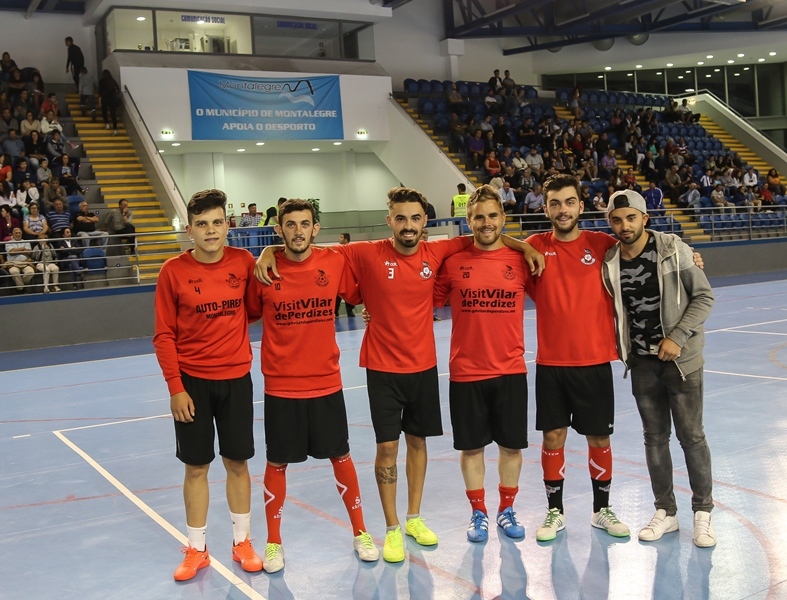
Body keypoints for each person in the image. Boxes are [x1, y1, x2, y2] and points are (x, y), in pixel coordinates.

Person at [255, 187, 544, 564]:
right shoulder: (363, 251)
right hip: (381, 368)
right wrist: (267, 250)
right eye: (401, 218)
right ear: (389, 220)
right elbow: (303, 246)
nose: (408, 226)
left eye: (416, 218)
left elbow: (485, 233)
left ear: (426, 222)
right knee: (387, 448)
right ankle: (392, 528)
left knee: (418, 444)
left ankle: (413, 518)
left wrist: (524, 246)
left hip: (423, 368)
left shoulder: (438, 251)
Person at [247, 200, 377, 573]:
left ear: (316, 228)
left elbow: (361, 293)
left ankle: (361, 532)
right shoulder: (265, 271)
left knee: (341, 456)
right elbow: (246, 313)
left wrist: (372, 309)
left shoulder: (333, 262)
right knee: (277, 461)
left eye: (305, 224)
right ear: (279, 229)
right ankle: (273, 543)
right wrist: (266, 254)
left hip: (326, 383)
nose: (298, 231)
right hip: (281, 387)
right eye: (291, 225)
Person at [152, 189, 263, 582]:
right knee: (196, 467)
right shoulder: (172, 271)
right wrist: (175, 387)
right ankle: (197, 549)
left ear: (228, 226)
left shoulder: (244, 261)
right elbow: (163, 335)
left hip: (235, 379)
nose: (210, 230)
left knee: (237, 462)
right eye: (202, 224)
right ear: (189, 230)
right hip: (193, 385)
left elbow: (254, 309)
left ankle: (243, 542)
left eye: (217, 222)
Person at [602, 189, 716, 547]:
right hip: (642, 364)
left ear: (644, 218)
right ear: (611, 223)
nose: (624, 226)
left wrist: (678, 337)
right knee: (655, 438)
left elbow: (704, 296)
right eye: (617, 220)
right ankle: (666, 512)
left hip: (681, 362)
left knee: (691, 437)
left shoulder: (672, 248)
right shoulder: (610, 262)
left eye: (631, 218)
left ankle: (703, 513)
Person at [525, 174, 630, 542]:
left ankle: (602, 510)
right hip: (551, 365)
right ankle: (556, 512)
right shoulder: (534, 246)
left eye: (569, 202)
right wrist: (522, 247)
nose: (562, 209)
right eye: (555, 203)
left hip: (594, 361)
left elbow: (646, 244)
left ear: (581, 206)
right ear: (546, 208)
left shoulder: (602, 244)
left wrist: (687, 252)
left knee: (599, 438)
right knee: (553, 437)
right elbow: (491, 246)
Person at [433, 185, 529, 543]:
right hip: (466, 371)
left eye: (492, 216)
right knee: (471, 448)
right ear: (468, 220)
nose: (486, 223)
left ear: (503, 218)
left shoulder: (521, 261)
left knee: (510, 447)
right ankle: (478, 514)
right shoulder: (454, 263)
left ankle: (506, 509)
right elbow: (419, 301)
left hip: (510, 370)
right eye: (478, 217)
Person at [4, 227, 35, 292]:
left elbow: (29, 252)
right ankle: (21, 289)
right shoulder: (8, 243)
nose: (18, 234)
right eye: (16, 233)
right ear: (13, 234)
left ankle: (19, 285)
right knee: (14, 272)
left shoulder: (26, 242)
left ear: (21, 234)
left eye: (19, 233)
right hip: (13, 263)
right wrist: (22, 249)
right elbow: (11, 253)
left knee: (30, 272)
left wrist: (16, 250)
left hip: (25, 263)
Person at [335, 232, 355, 317]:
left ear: (346, 240)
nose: (339, 238)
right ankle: (335, 311)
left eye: (341, 237)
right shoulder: (337, 250)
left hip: (349, 276)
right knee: (337, 294)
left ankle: (349, 310)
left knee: (349, 293)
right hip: (339, 275)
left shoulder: (352, 250)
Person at [98, 70, 120, 135]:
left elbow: (100, 91)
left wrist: (100, 97)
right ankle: (115, 129)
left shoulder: (101, 81)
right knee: (113, 114)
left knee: (104, 111)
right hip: (112, 99)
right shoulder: (113, 81)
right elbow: (118, 89)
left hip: (104, 99)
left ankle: (107, 124)